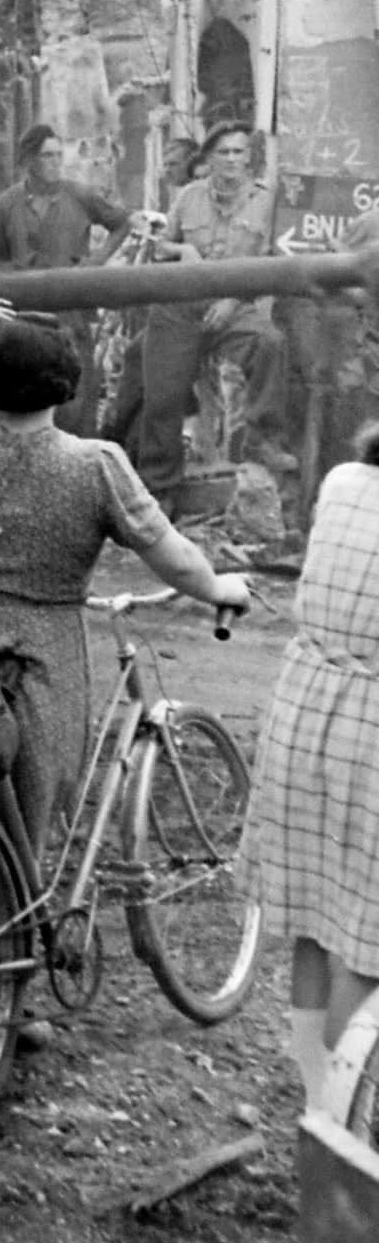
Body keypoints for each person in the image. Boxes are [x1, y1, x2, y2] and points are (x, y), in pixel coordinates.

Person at [0, 301, 247, 860]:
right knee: (26, 819)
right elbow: (176, 560)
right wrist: (219, 589)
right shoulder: (94, 465)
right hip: (39, 659)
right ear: (65, 384)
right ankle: (15, 929)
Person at [240, 421, 379, 1112]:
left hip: (303, 711)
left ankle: (318, 1100)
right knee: (367, 940)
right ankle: (344, 1118)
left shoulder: (343, 482)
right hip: (372, 730)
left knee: (316, 920)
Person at [120, 120, 290, 510]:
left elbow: (270, 260)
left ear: (250, 157)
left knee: (270, 343)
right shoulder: (189, 196)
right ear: (209, 159)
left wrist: (233, 298)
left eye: (240, 152)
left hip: (235, 306)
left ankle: (263, 442)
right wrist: (182, 251)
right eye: (223, 152)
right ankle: (160, 492)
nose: (232, 160)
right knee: (163, 398)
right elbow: (159, 244)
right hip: (180, 306)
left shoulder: (267, 201)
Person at [0, 123, 140, 435]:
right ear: (29, 160)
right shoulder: (8, 203)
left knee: (77, 393)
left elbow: (122, 222)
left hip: (71, 310)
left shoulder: (78, 194)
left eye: (59, 155)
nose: (56, 162)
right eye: (47, 156)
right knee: (27, 393)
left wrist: (95, 261)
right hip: (25, 313)